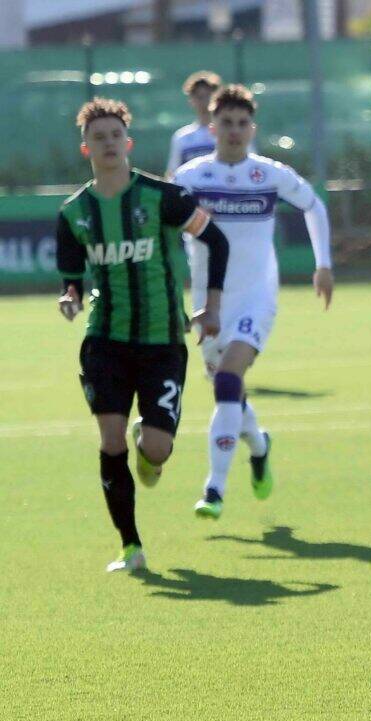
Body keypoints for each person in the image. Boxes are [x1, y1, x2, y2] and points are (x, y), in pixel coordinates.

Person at [56, 98, 229, 572]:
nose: (108, 143)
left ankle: (149, 447)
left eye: (115, 136)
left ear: (127, 143)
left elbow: (216, 240)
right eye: (99, 137)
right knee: (109, 438)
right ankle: (130, 546)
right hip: (105, 339)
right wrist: (70, 298)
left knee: (155, 449)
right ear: (85, 148)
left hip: (161, 342)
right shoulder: (74, 213)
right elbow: (71, 277)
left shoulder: (162, 198)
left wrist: (210, 307)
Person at [173, 84, 333, 520]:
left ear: (252, 129)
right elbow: (161, 225)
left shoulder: (269, 174)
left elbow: (314, 206)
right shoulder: (191, 178)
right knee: (228, 391)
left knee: (227, 381)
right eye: (226, 123)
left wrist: (323, 265)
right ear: (212, 127)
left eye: (242, 123)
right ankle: (259, 444)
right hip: (210, 302)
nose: (235, 130)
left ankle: (215, 489)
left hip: (257, 298)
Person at [165, 71, 221, 179]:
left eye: (208, 96)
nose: (205, 101)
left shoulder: (230, 132)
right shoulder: (181, 137)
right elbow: (172, 174)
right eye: (200, 97)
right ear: (191, 101)